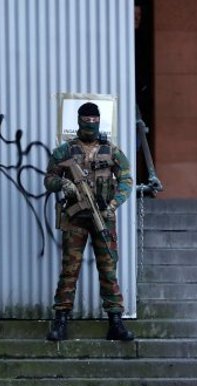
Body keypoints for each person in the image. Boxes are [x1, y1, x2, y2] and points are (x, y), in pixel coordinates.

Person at [43, 102, 134, 342]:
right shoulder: (65, 150)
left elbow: (126, 180)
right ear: (79, 120)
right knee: (70, 270)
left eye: (95, 120)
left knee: (108, 269)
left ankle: (116, 321)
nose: (91, 124)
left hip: (103, 217)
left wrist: (113, 205)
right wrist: (64, 184)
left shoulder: (111, 150)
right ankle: (61, 320)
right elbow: (49, 178)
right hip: (75, 219)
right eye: (87, 120)